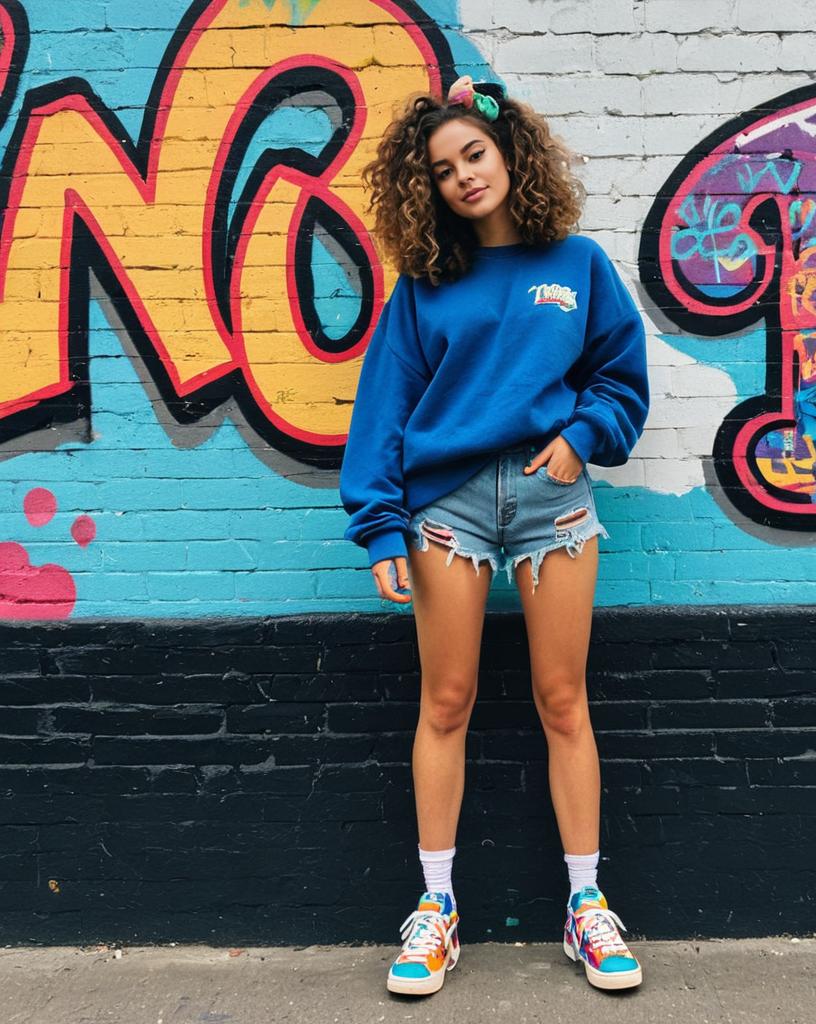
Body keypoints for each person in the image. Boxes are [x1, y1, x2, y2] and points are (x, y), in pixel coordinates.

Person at [339, 74, 650, 996]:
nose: (464, 175)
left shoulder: (577, 265)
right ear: (427, 189)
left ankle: (585, 907)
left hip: (555, 506)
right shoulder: (428, 286)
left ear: (509, 152)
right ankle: (436, 909)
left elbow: (620, 378)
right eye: (442, 169)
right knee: (448, 702)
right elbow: (383, 410)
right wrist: (381, 528)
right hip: (451, 510)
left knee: (564, 701)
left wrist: (583, 437)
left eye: (474, 152)